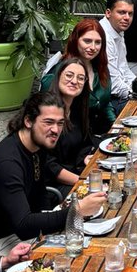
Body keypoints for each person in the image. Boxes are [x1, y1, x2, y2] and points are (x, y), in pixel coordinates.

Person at [0, 92, 108, 253]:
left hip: (13, 230)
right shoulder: (7, 164)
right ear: (28, 121)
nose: (56, 130)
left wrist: (53, 222)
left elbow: (39, 194)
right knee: (74, 254)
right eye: (48, 122)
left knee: (85, 243)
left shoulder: (37, 147)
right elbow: (23, 226)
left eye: (60, 123)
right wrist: (77, 211)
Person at [41, 19, 114, 134]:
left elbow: (106, 103)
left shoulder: (101, 69)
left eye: (98, 42)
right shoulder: (58, 74)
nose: (93, 47)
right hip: (73, 136)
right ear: (75, 41)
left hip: (103, 132)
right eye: (87, 41)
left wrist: (115, 125)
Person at [45, 57, 94, 187]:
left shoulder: (78, 109)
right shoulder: (46, 112)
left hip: (78, 174)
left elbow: (85, 144)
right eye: (69, 75)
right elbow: (48, 165)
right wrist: (84, 183)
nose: (74, 81)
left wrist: (85, 158)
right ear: (58, 76)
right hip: (55, 185)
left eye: (80, 78)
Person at [99, 0, 136, 116]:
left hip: (115, 94)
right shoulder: (103, 36)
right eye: (121, 12)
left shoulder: (117, 30)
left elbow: (124, 70)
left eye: (130, 14)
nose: (127, 18)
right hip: (104, 102)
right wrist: (136, 94)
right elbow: (114, 85)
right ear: (108, 13)